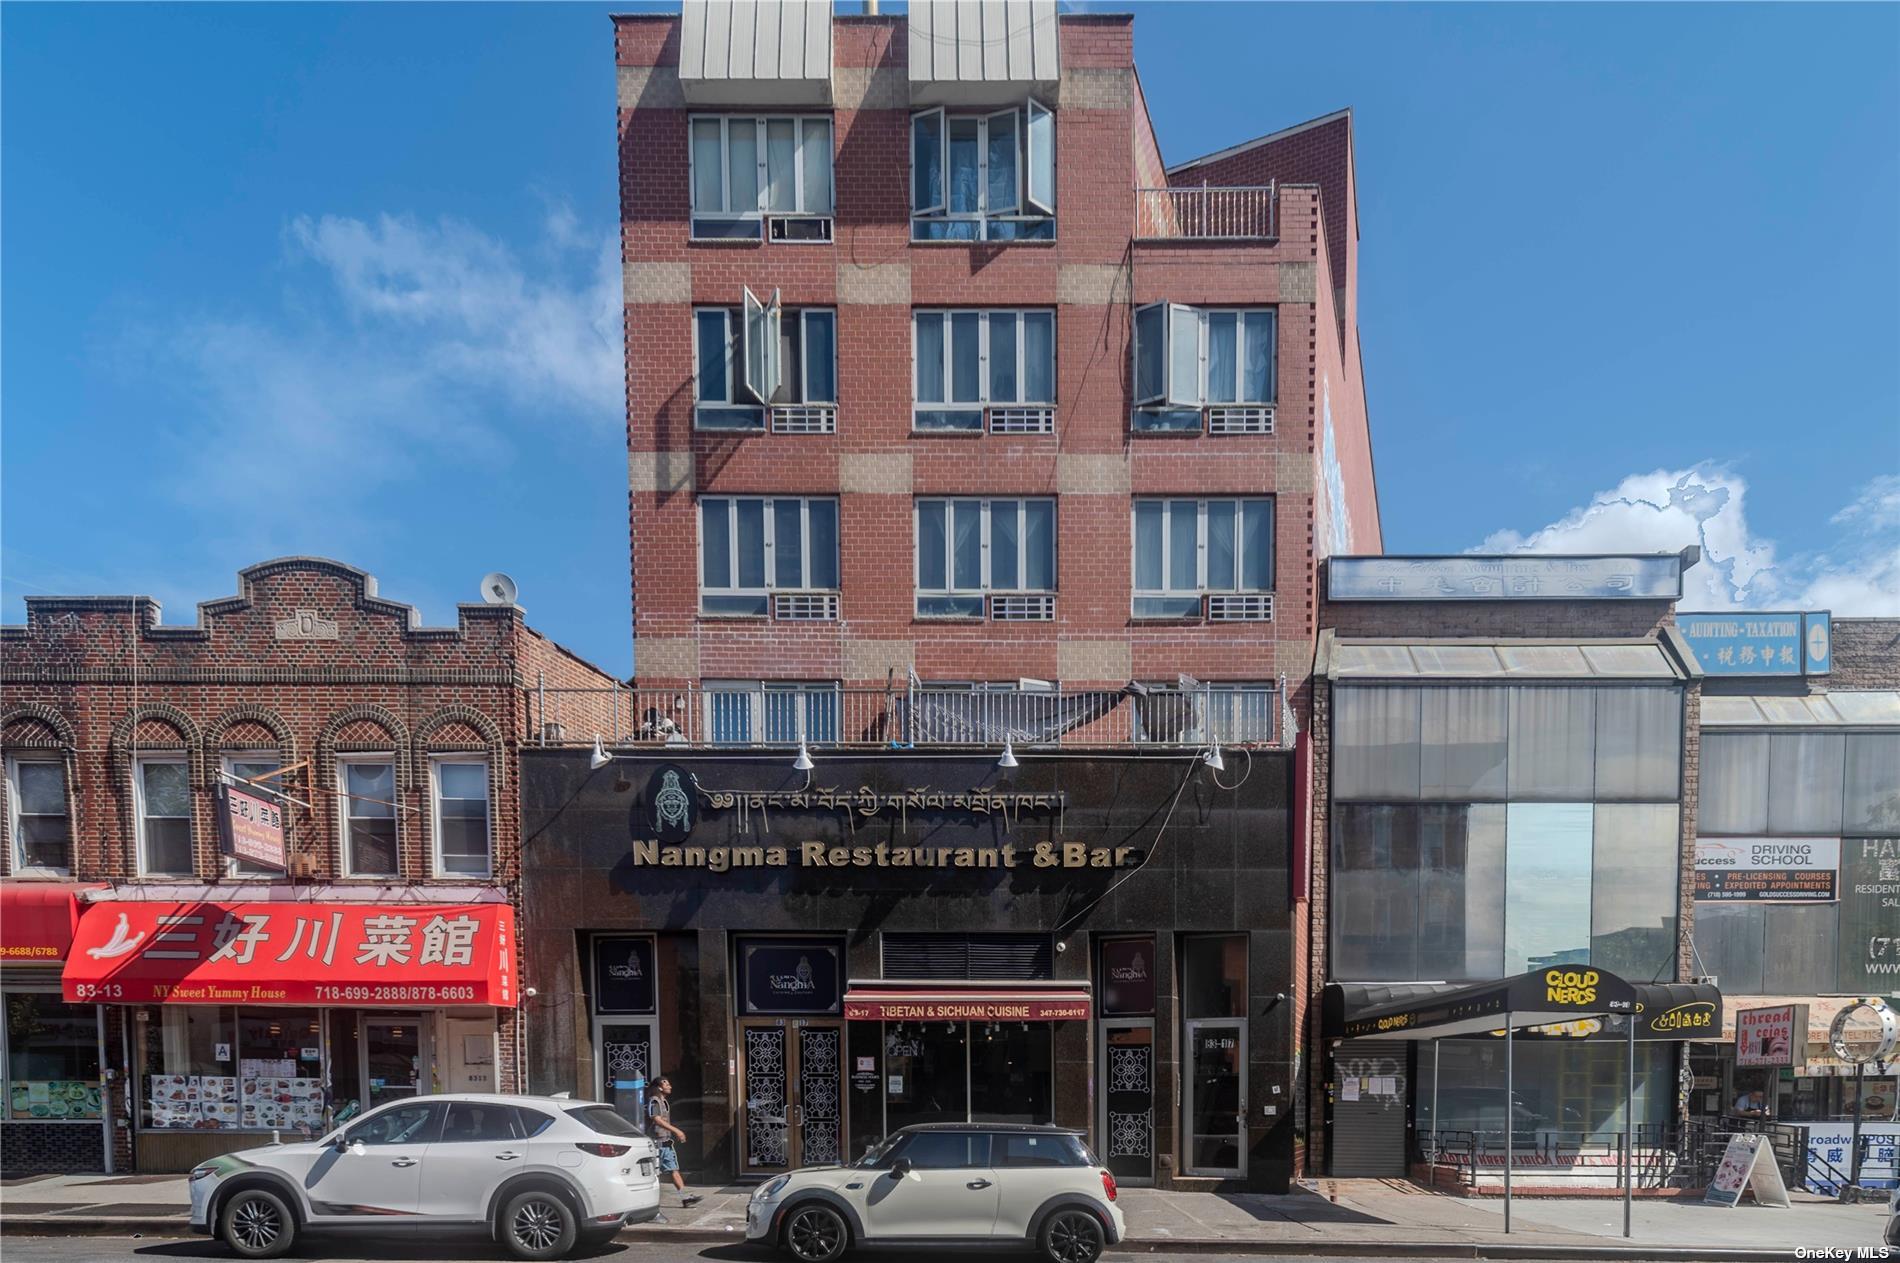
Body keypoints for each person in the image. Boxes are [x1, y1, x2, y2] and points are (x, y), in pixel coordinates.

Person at [647, 1075, 700, 1207]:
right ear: (659, 1087)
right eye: (666, 1084)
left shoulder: (663, 1101)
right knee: (655, 1173)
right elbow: (657, 1119)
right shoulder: (654, 1101)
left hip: (666, 1142)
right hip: (656, 1143)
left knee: (674, 1169)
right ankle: (650, 1202)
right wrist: (677, 1131)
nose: (670, 1086)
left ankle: (685, 1197)